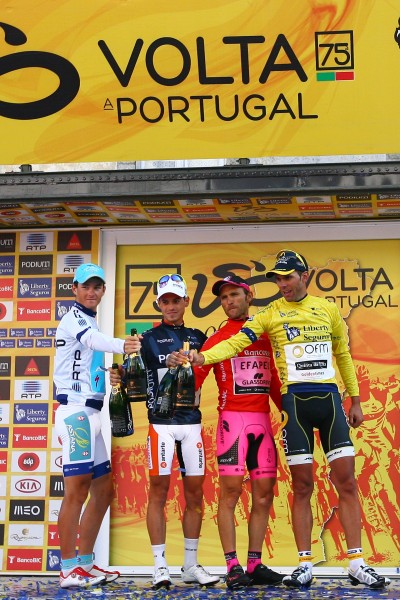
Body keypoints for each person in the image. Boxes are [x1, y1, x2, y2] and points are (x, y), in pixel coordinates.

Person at [189, 250, 391, 590]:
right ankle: (303, 563)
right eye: (278, 278)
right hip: (293, 405)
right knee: (302, 486)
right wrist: (202, 357)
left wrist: (355, 400)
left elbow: (342, 354)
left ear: (304, 276)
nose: (282, 283)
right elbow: (235, 343)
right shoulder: (270, 314)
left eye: (288, 277)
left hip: (328, 401)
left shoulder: (327, 309)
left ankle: (357, 563)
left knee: (346, 482)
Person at [171, 275, 284, 589]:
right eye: (223, 298)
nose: (229, 301)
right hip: (232, 423)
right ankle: (233, 565)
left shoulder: (264, 334)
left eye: (234, 295)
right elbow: (195, 378)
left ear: (249, 296)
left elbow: (274, 377)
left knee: (264, 494)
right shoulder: (218, 338)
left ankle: (255, 563)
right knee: (231, 492)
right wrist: (177, 410)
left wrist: (289, 413)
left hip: (262, 422)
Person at [110, 273, 220, 589]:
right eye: (165, 301)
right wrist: (118, 377)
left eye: (176, 300)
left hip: (192, 424)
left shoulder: (199, 337)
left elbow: (214, 365)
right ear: (158, 303)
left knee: (195, 494)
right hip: (161, 425)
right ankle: (159, 566)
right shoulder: (146, 339)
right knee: (158, 492)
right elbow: (131, 378)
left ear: (186, 301)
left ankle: (190, 564)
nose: (170, 306)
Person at [53, 263, 140, 588]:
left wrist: (110, 376)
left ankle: (86, 564)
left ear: (103, 290)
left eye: (97, 286)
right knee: (76, 491)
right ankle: (67, 569)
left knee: (103, 490)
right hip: (75, 414)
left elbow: (86, 363)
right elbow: (92, 341)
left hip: (92, 415)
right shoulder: (74, 318)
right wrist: (123, 345)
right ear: (74, 288)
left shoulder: (90, 319)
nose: (92, 292)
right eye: (86, 286)